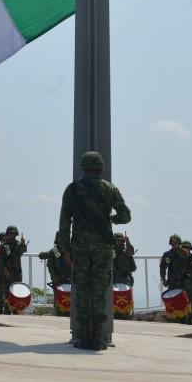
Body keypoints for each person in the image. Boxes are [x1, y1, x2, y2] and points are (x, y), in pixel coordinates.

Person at [58, 149, 131, 351]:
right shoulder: (110, 189)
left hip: (80, 246)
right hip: (102, 247)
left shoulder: (72, 190)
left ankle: (82, 337)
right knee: (99, 288)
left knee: (82, 288)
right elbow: (126, 216)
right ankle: (98, 338)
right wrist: (112, 219)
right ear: (100, 167)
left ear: (83, 167)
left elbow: (64, 224)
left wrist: (65, 250)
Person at [40, 231, 72, 315]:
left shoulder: (70, 250)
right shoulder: (55, 251)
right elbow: (50, 266)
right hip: (58, 280)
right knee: (58, 299)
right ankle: (58, 313)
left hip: (70, 279)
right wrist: (55, 278)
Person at [0, 226, 29, 314]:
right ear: (7, 234)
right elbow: (0, 260)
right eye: (10, 233)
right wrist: (5, 271)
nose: (12, 235)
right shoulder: (4, 246)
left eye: (14, 234)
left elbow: (23, 250)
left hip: (17, 273)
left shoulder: (19, 244)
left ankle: (16, 312)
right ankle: (7, 312)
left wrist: (24, 244)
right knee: (7, 294)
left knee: (17, 294)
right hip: (7, 273)